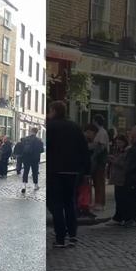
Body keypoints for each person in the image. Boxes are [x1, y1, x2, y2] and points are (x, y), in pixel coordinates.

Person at [47, 101, 90, 248]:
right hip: (72, 171)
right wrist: (86, 171)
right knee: (70, 203)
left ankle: (60, 238)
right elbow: (84, 149)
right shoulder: (75, 127)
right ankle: (72, 235)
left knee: (56, 204)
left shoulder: (51, 126)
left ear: (53, 111)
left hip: (55, 171)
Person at [83, 124, 107, 215]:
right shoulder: (90, 142)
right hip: (90, 167)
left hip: (96, 167)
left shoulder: (97, 144)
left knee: (97, 185)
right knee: (91, 186)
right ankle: (90, 203)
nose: (88, 134)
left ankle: (97, 203)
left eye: (90, 133)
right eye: (88, 132)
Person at [105, 135, 129, 226]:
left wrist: (114, 160)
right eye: (117, 143)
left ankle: (120, 217)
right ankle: (118, 217)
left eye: (120, 143)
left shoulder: (127, 151)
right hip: (117, 178)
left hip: (122, 178)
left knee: (121, 198)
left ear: (124, 142)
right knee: (118, 198)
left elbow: (124, 164)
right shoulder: (118, 150)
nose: (118, 144)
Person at [91, 115, 109, 210]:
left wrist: (94, 156)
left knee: (99, 182)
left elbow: (100, 147)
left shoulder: (102, 132)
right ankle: (98, 202)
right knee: (97, 182)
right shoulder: (101, 132)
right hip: (99, 161)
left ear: (96, 121)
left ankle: (100, 203)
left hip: (100, 161)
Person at [20, 127, 44, 194]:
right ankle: (36, 185)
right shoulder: (39, 140)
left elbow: (22, 148)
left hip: (26, 158)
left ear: (31, 131)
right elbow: (42, 150)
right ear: (37, 132)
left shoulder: (25, 139)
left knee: (26, 171)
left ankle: (24, 186)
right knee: (35, 172)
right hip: (35, 159)